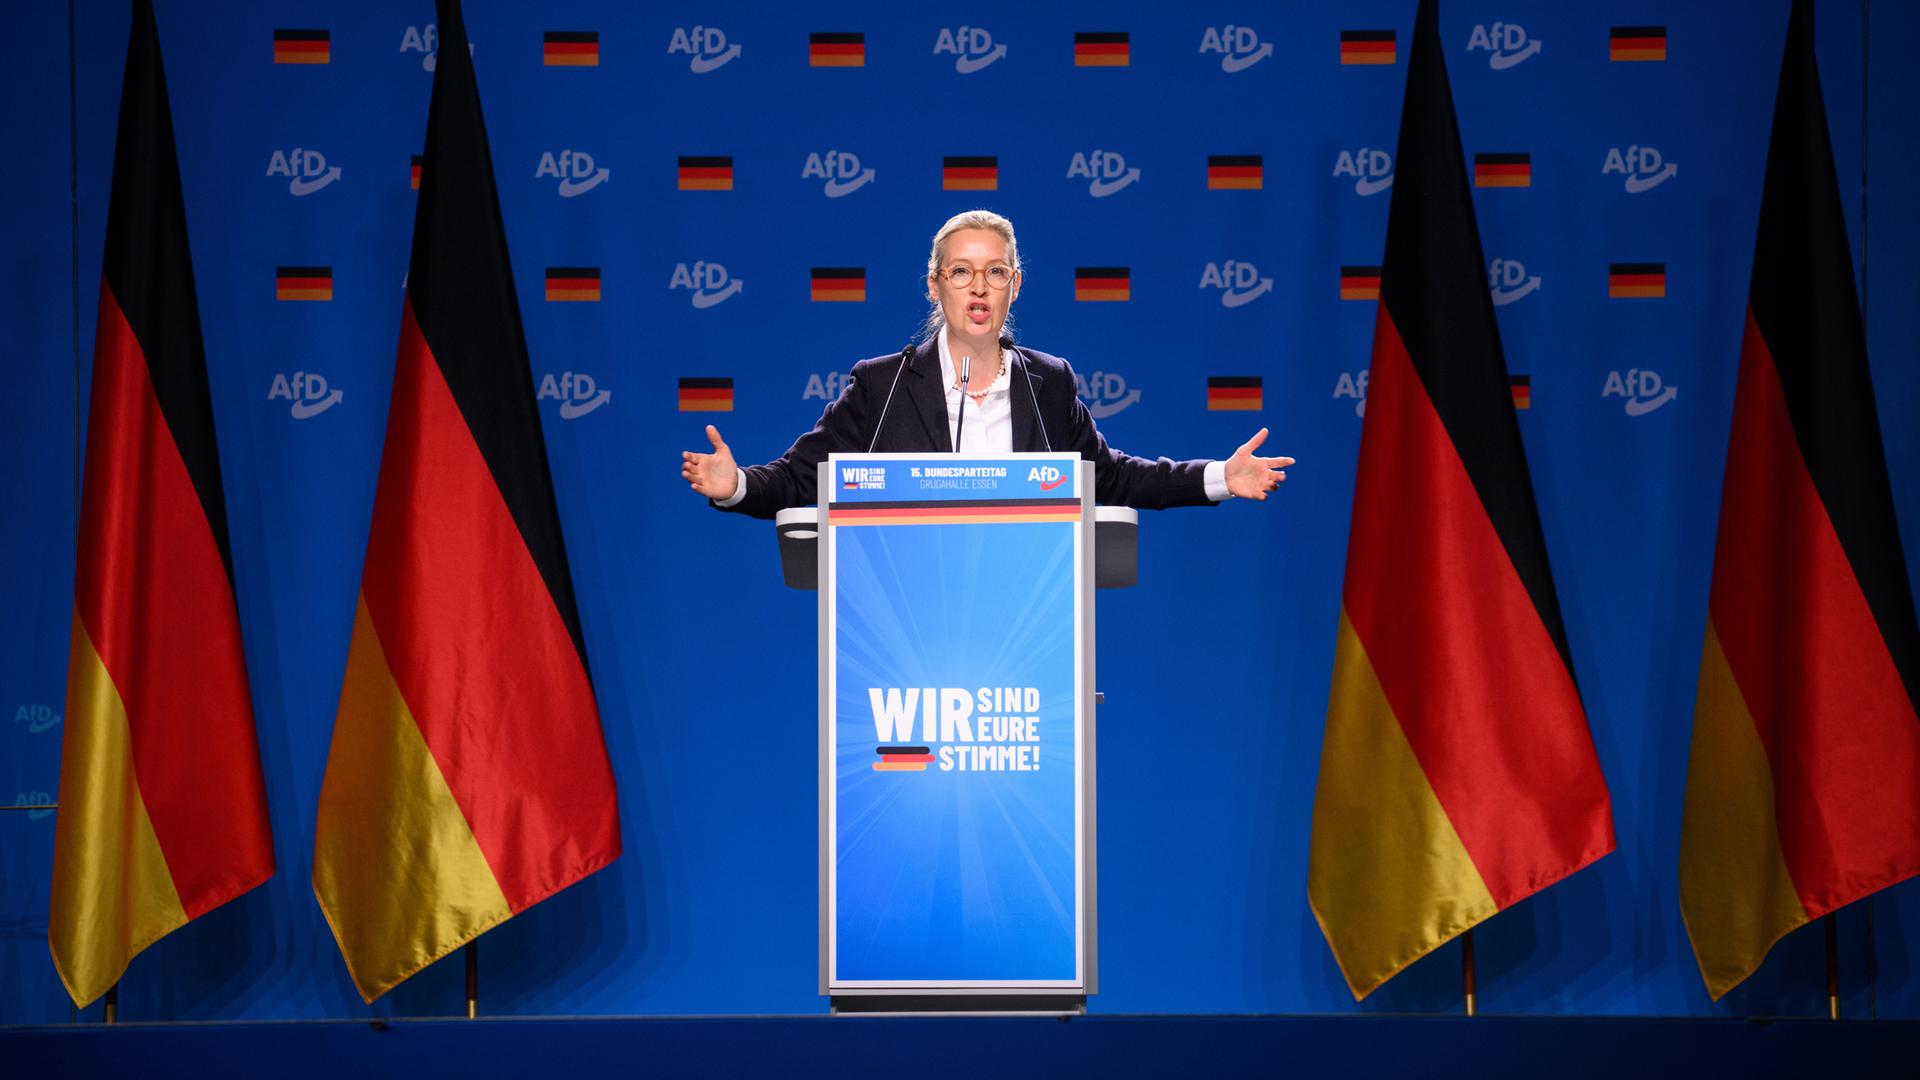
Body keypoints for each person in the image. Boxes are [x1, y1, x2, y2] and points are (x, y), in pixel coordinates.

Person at [681, 209, 1293, 516]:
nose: (979, 287)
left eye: (995, 272)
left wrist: (1219, 477)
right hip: (907, 624)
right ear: (934, 286)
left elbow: (1112, 479)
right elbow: (797, 480)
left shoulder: (1048, 384)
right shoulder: (882, 386)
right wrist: (734, 485)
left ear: (1015, 285)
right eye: (961, 272)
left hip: (1023, 624)